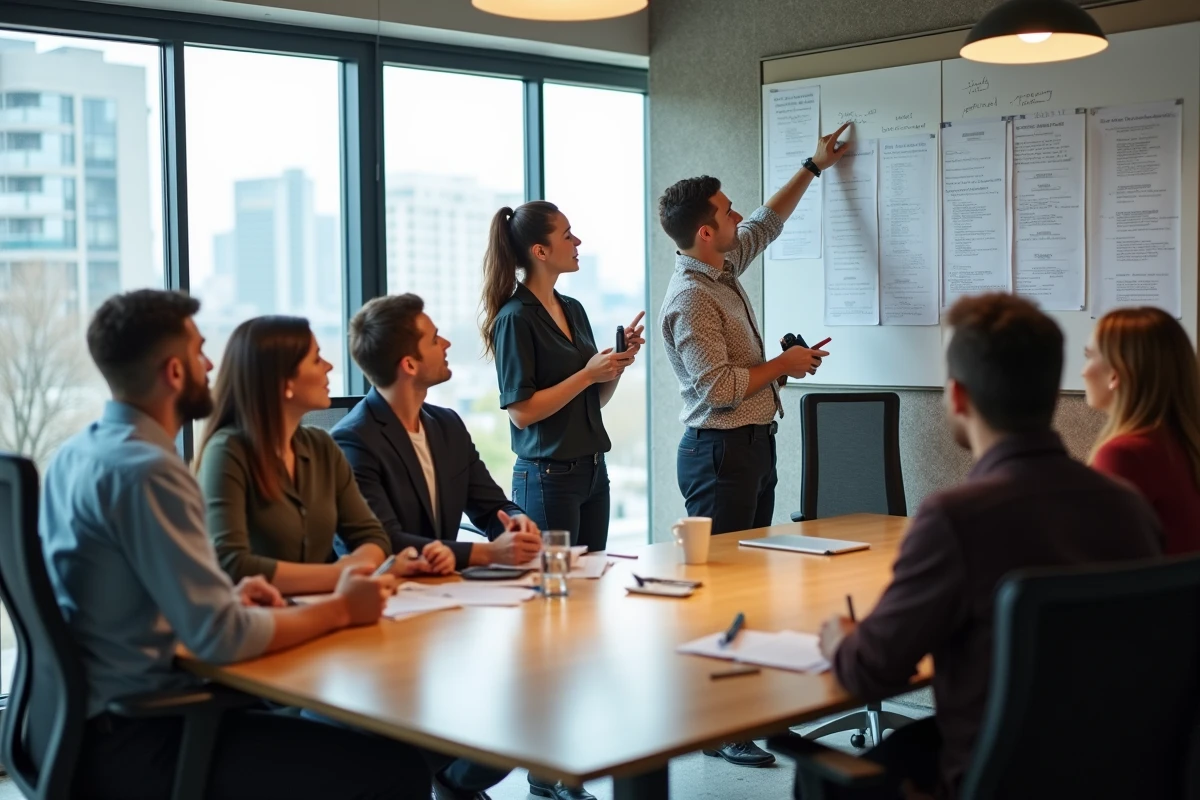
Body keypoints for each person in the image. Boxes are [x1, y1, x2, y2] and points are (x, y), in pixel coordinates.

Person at [39, 289, 430, 799]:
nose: (209, 364)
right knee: (395, 769)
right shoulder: (150, 472)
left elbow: (130, 597)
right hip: (143, 736)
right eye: (199, 351)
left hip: (68, 728)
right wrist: (341, 609)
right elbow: (222, 638)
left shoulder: (82, 453)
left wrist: (231, 597)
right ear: (175, 373)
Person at [814, 294, 1164, 800]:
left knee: (824, 779)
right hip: (1112, 771)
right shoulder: (1129, 507)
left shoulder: (956, 519)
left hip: (992, 776)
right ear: (1050, 395)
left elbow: (871, 672)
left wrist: (841, 637)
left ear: (957, 396)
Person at [656, 125, 849, 769]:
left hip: (750, 446)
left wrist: (813, 167)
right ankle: (718, 725)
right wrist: (784, 364)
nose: (737, 214)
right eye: (726, 209)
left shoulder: (722, 269)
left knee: (752, 589)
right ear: (705, 231)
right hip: (719, 452)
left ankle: (754, 713)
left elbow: (766, 222)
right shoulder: (689, 298)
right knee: (724, 593)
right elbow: (717, 388)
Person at [195, 316, 425, 596]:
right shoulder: (227, 451)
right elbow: (233, 564)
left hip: (326, 613)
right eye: (316, 359)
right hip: (261, 621)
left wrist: (353, 570)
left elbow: (372, 536)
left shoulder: (321, 446)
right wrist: (341, 575)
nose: (329, 366)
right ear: (284, 381)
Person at [333, 292, 542, 574]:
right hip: (386, 598)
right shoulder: (353, 442)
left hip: (443, 592)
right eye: (434, 339)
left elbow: (492, 506)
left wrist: (515, 521)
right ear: (409, 364)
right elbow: (384, 542)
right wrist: (487, 553)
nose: (446, 344)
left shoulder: (448, 425)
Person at [480, 201, 645, 556]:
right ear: (540, 251)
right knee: (553, 594)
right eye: (568, 235)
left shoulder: (573, 308)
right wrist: (587, 375)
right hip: (547, 480)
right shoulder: (515, 319)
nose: (578, 242)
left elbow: (592, 400)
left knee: (591, 589)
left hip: (593, 473)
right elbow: (521, 413)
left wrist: (614, 366)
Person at [1082, 306, 1200, 555]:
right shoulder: (1180, 444)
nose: (1083, 371)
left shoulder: (1124, 454)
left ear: (1116, 373)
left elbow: (1099, 561)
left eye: (1089, 356)